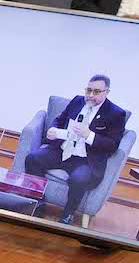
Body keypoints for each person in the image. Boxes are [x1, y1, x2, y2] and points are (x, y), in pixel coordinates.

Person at [22, 74, 129, 226]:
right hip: (62, 149)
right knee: (33, 158)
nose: (91, 95)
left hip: (86, 159)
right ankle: (38, 202)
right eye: (89, 90)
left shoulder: (115, 113)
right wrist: (53, 129)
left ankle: (68, 214)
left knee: (79, 179)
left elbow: (112, 145)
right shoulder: (77, 101)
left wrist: (89, 135)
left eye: (96, 92)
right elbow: (60, 119)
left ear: (106, 92)